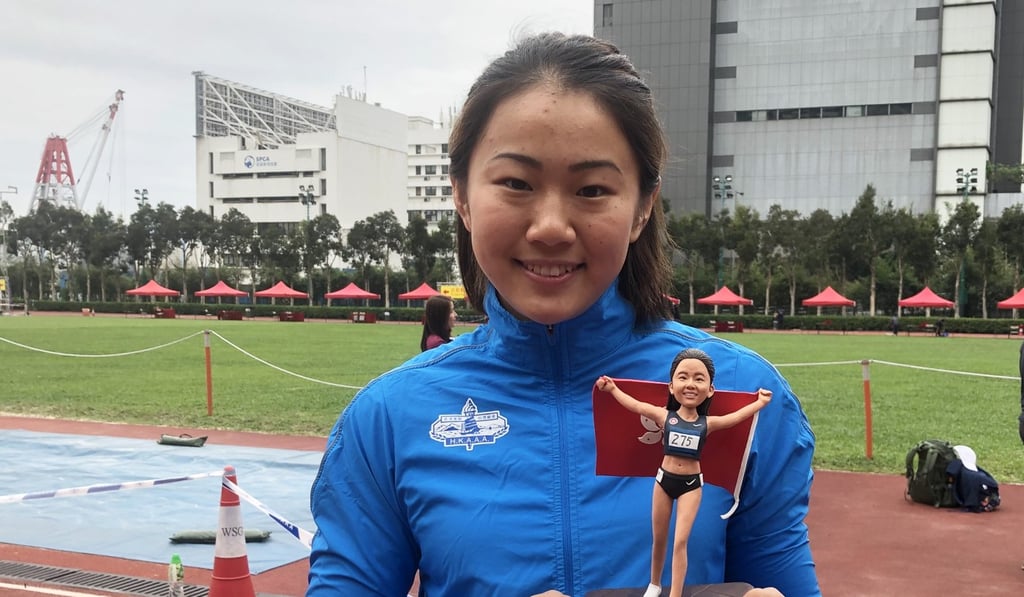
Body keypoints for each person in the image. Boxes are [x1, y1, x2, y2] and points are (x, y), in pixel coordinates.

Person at [308, 32, 819, 597]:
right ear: (461, 194)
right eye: (516, 183)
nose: (551, 226)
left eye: (593, 188)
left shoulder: (747, 396)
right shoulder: (386, 418)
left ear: (643, 207)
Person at [596, 348, 772, 597]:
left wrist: (759, 403)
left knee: (680, 542)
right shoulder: (664, 416)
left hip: (691, 484)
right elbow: (636, 406)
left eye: (699, 379)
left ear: (710, 389)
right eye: (683, 377)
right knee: (659, 539)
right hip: (663, 481)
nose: (690, 385)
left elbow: (735, 418)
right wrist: (612, 389)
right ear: (671, 386)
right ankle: (654, 584)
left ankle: (675, 594)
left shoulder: (707, 423)